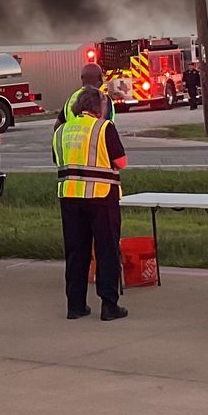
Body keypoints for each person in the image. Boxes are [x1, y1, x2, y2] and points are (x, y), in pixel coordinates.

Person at [53, 86, 128, 321]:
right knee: (107, 250)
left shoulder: (61, 131)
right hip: (102, 196)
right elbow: (121, 162)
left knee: (76, 252)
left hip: (69, 197)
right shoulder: (104, 127)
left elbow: (58, 159)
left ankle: (75, 306)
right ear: (99, 107)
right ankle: (109, 305)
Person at [57, 62, 111, 128]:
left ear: (82, 79)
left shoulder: (70, 99)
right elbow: (108, 128)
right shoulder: (103, 99)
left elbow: (57, 125)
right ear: (100, 78)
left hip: (71, 137)